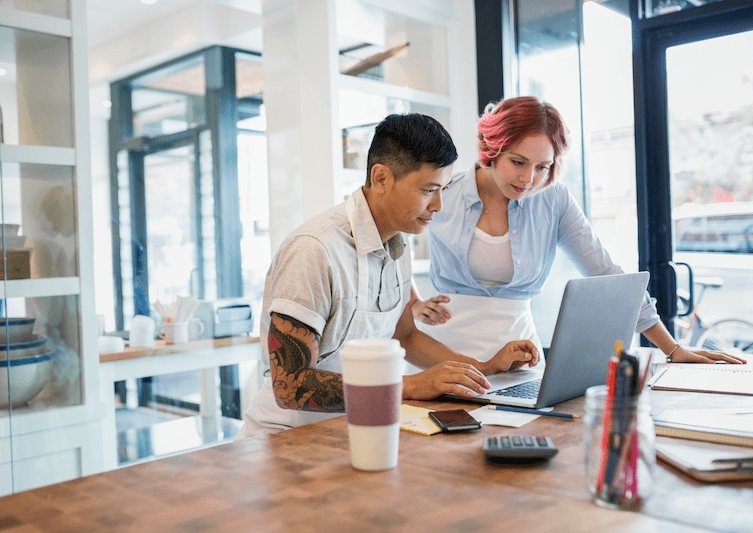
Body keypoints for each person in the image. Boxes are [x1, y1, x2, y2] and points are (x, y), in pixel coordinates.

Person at [239, 113, 540, 437]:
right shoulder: (314, 250)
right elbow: (291, 386)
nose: (438, 205)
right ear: (381, 178)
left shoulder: (398, 245)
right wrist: (406, 386)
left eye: (442, 190)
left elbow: (405, 337)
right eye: (429, 190)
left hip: (353, 430)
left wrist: (479, 368)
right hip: (284, 440)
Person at [411, 95, 747, 365]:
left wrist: (672, 348)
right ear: (493, 149)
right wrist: (412, 301)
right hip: (443, 352)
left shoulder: (553, 200)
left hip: (517, 357)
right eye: (518, 162)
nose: (528, 179)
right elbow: (391, 240)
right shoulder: (447, 191)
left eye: (543, 167)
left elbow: (607, 274)